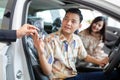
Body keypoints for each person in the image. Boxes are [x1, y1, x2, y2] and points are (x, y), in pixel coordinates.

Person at [32, 8, 119, 80]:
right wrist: (41, 52)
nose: (68, 23)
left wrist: (99, 62)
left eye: (73, 21)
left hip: (75, 75)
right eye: (66, 19)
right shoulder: (50, 40)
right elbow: (47, 71)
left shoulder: (76, 39)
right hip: (61, 78)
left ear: (79, 26)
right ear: (62, 21)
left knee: (114, 74)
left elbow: (84, 56)